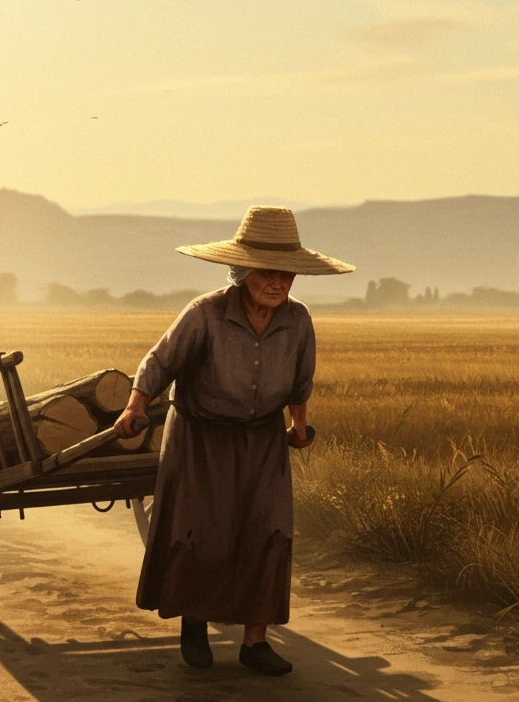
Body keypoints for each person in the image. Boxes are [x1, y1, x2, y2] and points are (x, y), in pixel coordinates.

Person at [114, 206, 355, 674]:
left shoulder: (298, 320)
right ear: (242, 271)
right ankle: (194, 624)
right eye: (268, 272)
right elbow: (159, 361)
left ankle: (255, 642)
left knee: (269, 530)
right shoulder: (205, 314)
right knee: (203, 531)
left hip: (263, 439)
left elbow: (300, 381)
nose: (278, 282)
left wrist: (300, 425)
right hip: (201, 436)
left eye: (286, 273)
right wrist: (135, 406)